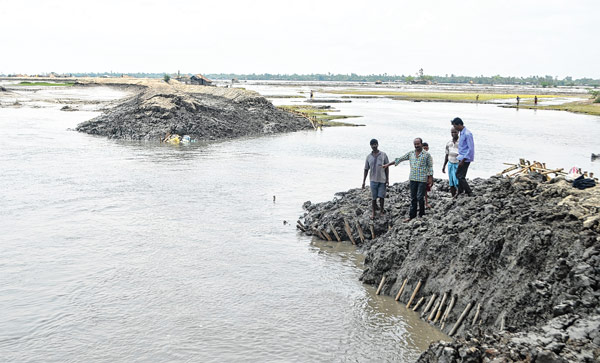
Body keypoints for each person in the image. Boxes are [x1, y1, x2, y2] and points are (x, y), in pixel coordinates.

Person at [383, 138, 433, 222]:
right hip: (413, 178)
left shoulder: (426, 155)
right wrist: (388, 165)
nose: (416, 146)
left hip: (422, 179)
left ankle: (421, 214)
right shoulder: (411, 153)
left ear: (421, 144)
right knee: (413, 198)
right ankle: (412, 216)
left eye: (418, 144)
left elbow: (430, 167)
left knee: (420, 197)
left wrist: (430, 178)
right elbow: (400, 159)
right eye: (415, 144)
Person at [362, 139, 389, 219]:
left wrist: (387, 179)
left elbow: (387, 168)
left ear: (378, 144)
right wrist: (363, 181)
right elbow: (366, 169)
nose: (374, 146)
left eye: (375, 144)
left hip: (382, 179)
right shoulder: (368, 157)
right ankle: (373, 212)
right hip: (373, 180)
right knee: (373, 198)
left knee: (381, 197)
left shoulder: (383, 155)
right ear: (370, 146)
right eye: (372, 145)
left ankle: (381, 211)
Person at [450, 117, 474, 197]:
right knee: (458, 174)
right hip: (461, 157)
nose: (455, 128)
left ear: (459, 125)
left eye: (455, 126)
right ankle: (460, 191)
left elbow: (470, 149)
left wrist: (463, 160)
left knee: (460, 176)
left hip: (465, 158)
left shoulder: (467, 134)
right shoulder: (462, 133)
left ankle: (469, 192)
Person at [442, 127, 460, 197]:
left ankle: (459, 195)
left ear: (458, 132)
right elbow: (447, 154)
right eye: (452, 132)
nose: (453, 134)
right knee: (451, 181)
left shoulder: (461, 142)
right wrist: (444, 166)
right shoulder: (449, 143)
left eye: (455, 132)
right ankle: (453, 196)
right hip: (450, 163)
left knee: (457, 181)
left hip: (457, 163)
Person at [422, 142, 432, 208]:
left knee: (425, 190)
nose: (425, 149)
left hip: (427, 175)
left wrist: (430, 177)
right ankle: (422, 203)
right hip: (420, 175)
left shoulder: (429, 156)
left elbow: (430, 168)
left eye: (426, 148)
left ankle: (426, 203)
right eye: (424, 148)